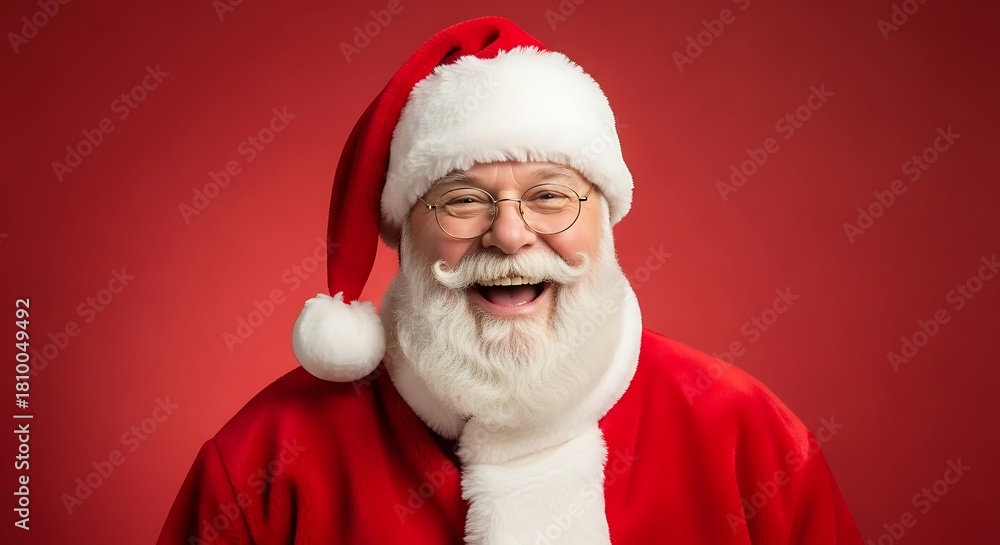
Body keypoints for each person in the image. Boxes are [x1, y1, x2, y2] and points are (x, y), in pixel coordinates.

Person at [156, 16, 863, 545]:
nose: (511, 234)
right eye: (462, 199)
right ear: (404, 230)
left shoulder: (750, 439)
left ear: (606, 220)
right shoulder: (265, 461)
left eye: (550, 195)